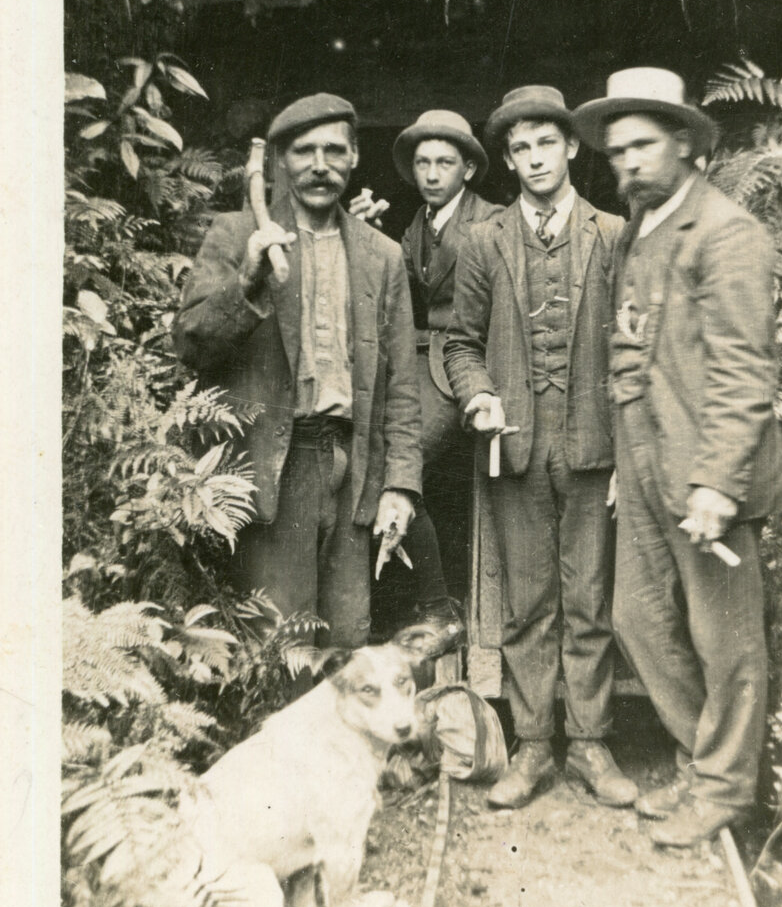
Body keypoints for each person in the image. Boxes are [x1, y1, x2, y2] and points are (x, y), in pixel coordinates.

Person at [571, 68, 782, 846]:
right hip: (644, 464)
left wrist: (716, 485)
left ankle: (725, 789)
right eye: (616, 149)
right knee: (634, 612)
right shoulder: (644, 225)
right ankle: (705, 763)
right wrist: (626, 470)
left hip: (704, 477)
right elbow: (635, 353)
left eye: (641, 145)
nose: (625, 162)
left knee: (726, 640)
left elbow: (742, 369)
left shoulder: (725, 232)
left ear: (687, 143)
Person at [173, 93, 422, 650]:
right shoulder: (239, 236)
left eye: (335, 150)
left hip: (351, 471)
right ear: (282, 161)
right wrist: (248, 282)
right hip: (271, 471)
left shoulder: (382, 255)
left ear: (355, 157)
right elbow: (189, 344)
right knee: (277, 651)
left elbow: (403, 386)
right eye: (304, 151)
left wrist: (400, 485)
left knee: (344, 650)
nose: (320, 164)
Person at [444, 84, 635, 810]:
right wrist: (478, 394)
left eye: (544, 143)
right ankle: (531, 744)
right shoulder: (482, 240)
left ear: (571, 147)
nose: (531, 159)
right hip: (515, 449)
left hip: (592, 448)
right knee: (527, 606)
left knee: (588, 600)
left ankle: (588, 743)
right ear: (507, 159)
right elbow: (460, 344)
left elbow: (632, 347)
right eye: (518, 148)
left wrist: (627, 448)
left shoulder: (613, 234)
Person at [389, 110, 503, 638]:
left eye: (444, 162)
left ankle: (440, 606)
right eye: (422, 163)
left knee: (400, 466)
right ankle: (436, 601)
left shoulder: (493, 220)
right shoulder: (419, 222)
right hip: (419, 364)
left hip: (463, 368)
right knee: (384, 464)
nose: (432, 174)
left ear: (469, 170)